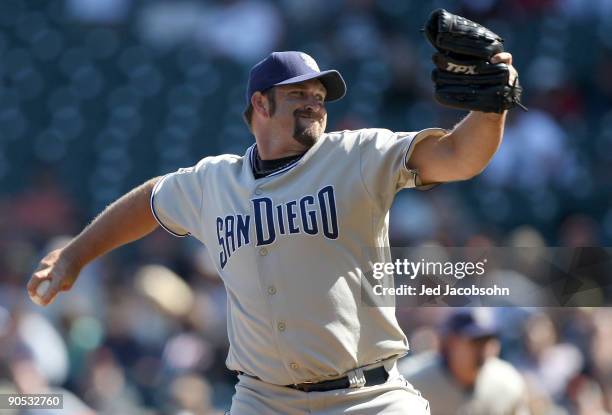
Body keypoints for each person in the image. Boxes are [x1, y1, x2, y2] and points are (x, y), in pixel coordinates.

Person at [28, 49, 519, 414]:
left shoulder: (358, 155)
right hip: (264, 399)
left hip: (368, 396)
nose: (315, 103)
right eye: (300, 93)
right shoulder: (213, 182)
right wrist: (75, 255)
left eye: (320, 96)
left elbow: (459, 156)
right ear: (260, 104)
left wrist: (492, 104)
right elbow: (149, 201)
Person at [399, 309, 529, 415]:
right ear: (450, 343)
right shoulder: (412, 382)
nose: (484, 348)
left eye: (489, 340)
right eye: (476, 341)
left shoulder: (507, 382)